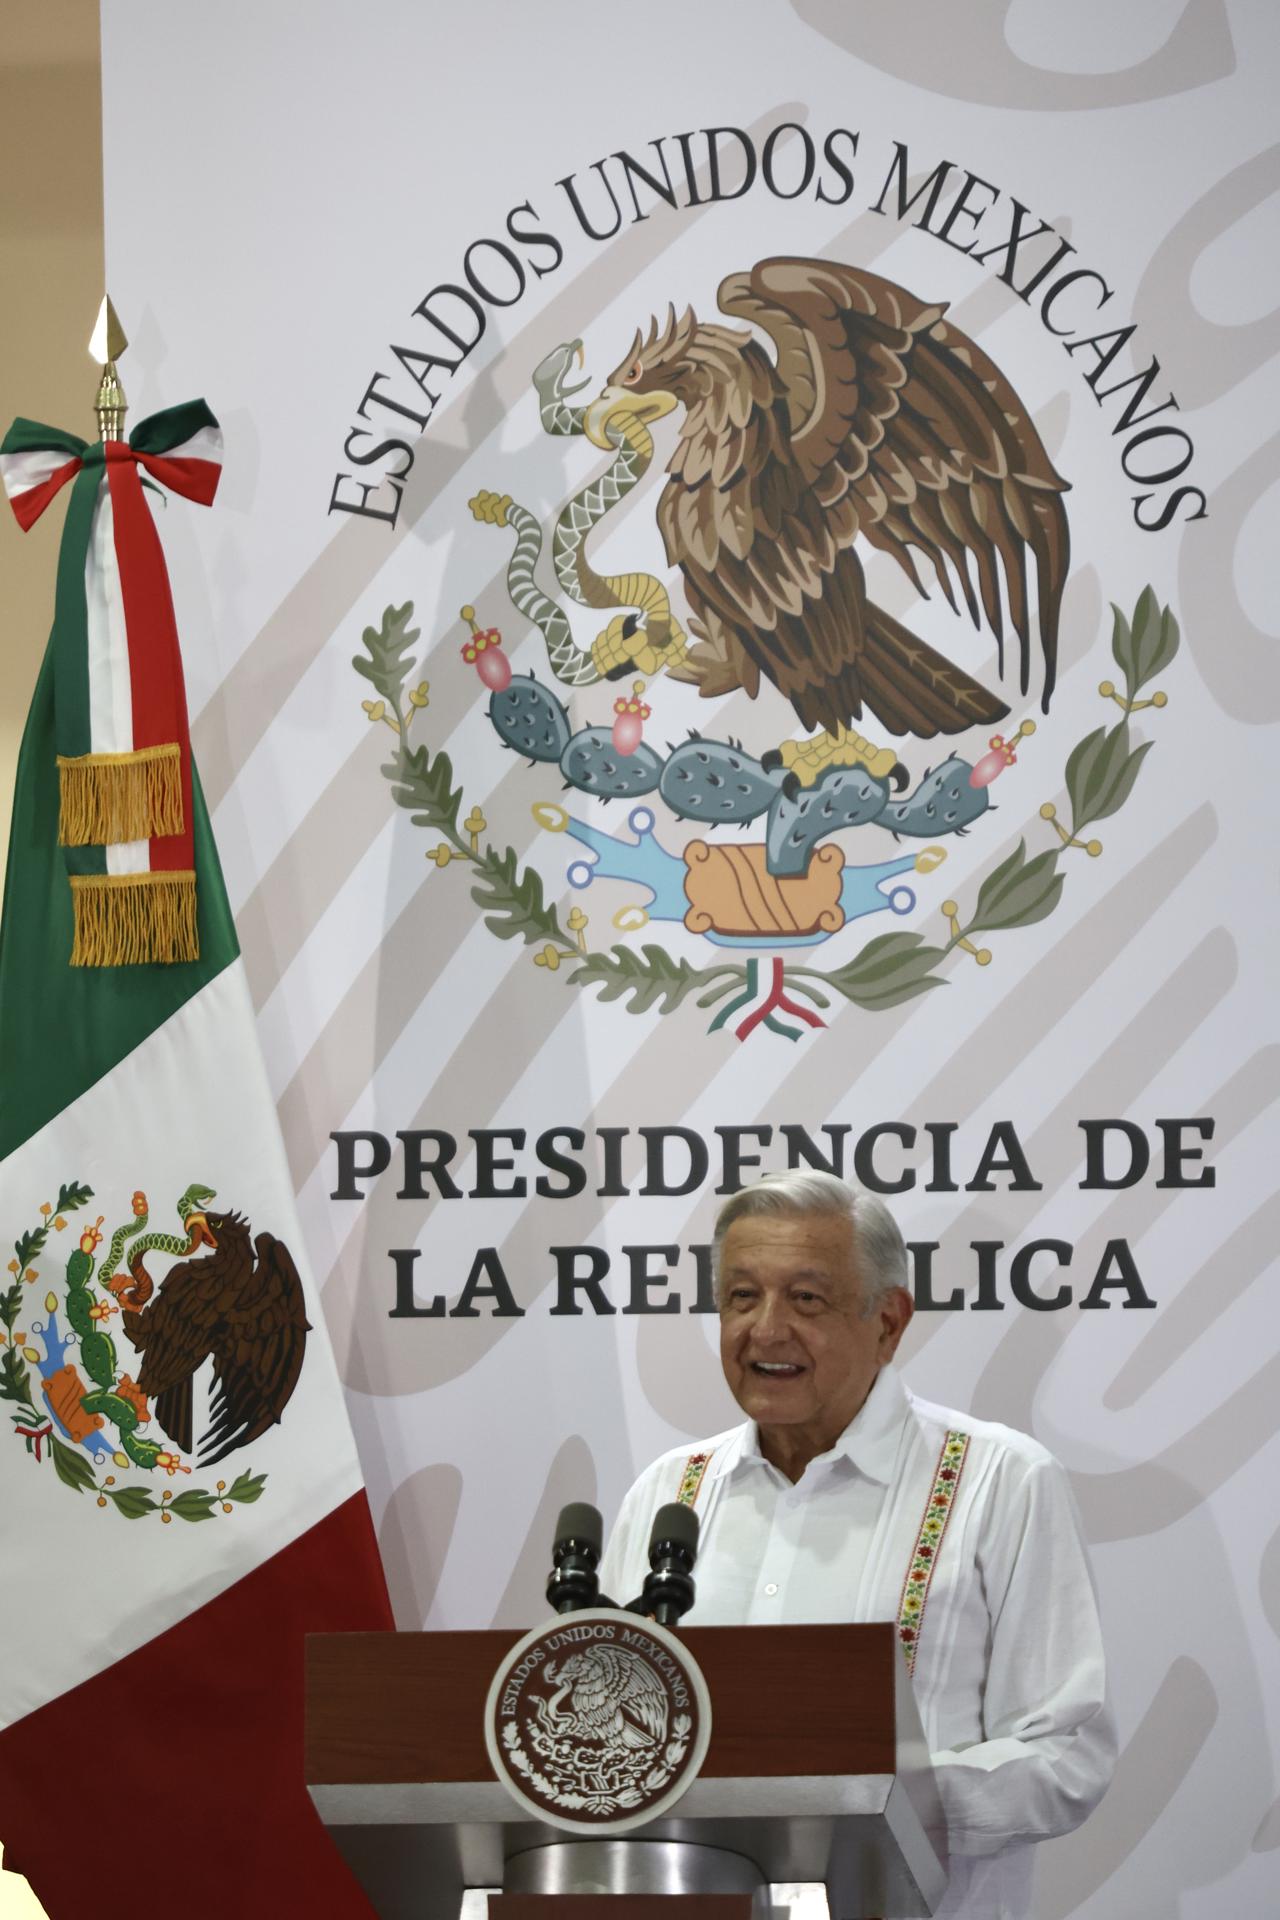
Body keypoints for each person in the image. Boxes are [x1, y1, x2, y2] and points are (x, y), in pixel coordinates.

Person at [599, 1170, 1115, 1920]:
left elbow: (1067, 1754)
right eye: (742, 1297)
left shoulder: (999, 1481)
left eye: (806, 1299)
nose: (766, 1330)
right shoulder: (668, 1493)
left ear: (889, 1321)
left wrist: (869, 1806)